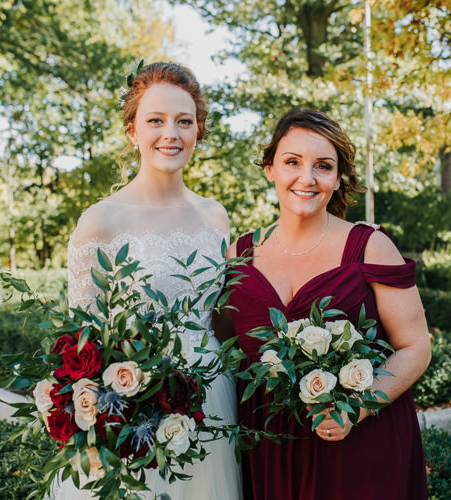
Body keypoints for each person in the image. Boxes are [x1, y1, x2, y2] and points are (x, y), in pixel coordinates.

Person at [224, 109, 431, 499]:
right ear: (270, 169)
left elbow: (416, 347)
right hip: (271, 449)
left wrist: (354, 408)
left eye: (323, 166)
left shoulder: (370, 247)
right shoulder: (239, 253)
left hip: (358, 446)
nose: (307, 178)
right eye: (292, 163)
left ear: (337, 179)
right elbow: (221, 347)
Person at [60, 61, 241, 500]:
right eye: (155, 120)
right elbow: (79, 338)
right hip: (130, 399)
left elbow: (220, 316)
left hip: (210, 393)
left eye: (184, 121)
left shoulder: (215, 216)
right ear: (132, 131)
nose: (171, 134)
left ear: (198, 130)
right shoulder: (101, 220)